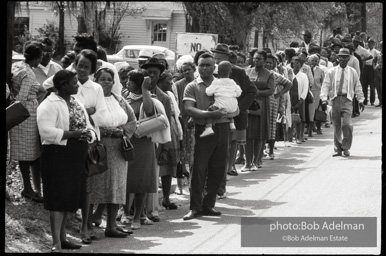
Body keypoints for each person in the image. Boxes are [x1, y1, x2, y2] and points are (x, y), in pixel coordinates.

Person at [37, 70, 95, 253]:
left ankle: (63, 238)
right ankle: (55, 242)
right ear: (62, 85)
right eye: (74, 83)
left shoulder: (76, 103)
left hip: (75, 155)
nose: (78, 85)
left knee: (69, 198)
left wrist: (89, 135)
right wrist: (74, 134)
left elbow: (89, 126)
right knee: (57, 199)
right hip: (56, 155)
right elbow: (45, 131)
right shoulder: (48, 104)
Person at [88, 68, 137, 238]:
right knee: (94, 186)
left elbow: (132, 120)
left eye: (110, 79)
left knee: (116, 186)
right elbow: (86, 122)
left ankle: (111, 226)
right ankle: (88, 226)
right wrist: (107, 132)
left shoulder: (120, 100)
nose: (107, 82)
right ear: (96, 81)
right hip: (98, 147)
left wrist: (123, 132)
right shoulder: (91, 101)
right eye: (103, 78)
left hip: (118, 150)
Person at [182, 52, 230, 220]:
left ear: (214, 66)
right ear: (197, 67)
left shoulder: (222, 84)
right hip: (202, 130)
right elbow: (188, 109)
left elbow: (233, 106)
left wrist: (225, 112)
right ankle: (195, 207)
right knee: (198, 170)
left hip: (222, 129)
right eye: (201, 65)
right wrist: (208, 114)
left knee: (217, 169)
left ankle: (208, 205)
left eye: (208, 65)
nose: (204, 68)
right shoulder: (193, 86)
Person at [71, 49, 110, 244]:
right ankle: (70, 223)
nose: (82, 70)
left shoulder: (96, 89)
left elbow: (102, 117)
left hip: (88, 140)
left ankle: (85, 225)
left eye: (87, 67)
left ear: (92, 69)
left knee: (86, 185)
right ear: (75, 65)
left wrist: (82, 112)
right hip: (68, 139)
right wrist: (88, 110)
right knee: (72, 183)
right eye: (80, 65)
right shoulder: (67, 82)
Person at [122, 69, 168, 229]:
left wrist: (144, 90)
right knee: (126, 180)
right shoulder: (124, 97)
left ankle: (137, 217)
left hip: (143, 144)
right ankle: (126, 212)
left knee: (141, 181)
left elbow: (149, 111)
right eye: (127, 80)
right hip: (127, 143)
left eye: (131, 81)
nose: (127, 83)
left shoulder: (149, 98)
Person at [210, 43, 257, 197]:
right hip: (211, 117)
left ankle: (224, 178)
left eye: (219, 57)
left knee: (228, 147)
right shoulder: (208, 71)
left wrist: (238, 109)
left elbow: (251, 91)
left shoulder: (237, 72)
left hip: (232, 117)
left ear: (227, 58)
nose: (216, 60)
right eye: (214, 57)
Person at [9, 40, 44, 203]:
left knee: (27, 153)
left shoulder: (18, 66)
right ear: (37, 58)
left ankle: (29, 187)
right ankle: (28, 188)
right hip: (25, 115)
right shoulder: (29, 74)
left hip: (24, 114)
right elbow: (21, 98)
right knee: (27, 153)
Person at [140, 57, 173, 221]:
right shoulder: (136, 91)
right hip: (138, 141)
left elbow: (166, 124)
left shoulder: (164, 98)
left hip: (155, 142)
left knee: (153, 177)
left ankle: (151, 211)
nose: (152, 76)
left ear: (160, 75)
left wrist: (166, 149)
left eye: (155, 73)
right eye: (149, 73)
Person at [320, 48, 365, 157]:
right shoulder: (332, 71)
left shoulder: (352, 72)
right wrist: (324, 99)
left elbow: (358, 86)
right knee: (336, 126)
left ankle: (346, 147)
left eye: (345, 57)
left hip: (347, 100)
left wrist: (360, 99)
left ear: (348, 58)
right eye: (340, 57)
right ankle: (338, 149)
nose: (342, 59)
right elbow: (325, 85)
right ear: (338, 58)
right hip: (335, 100)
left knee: (347, 124)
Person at [243, 50, 274, 170]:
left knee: (259, 134)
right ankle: (247, 162)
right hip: (249, 104)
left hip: (262, 104)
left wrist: (257, 92)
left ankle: (256, 160)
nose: (256, 60)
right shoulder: (247, 71)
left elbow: (270, 91)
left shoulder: (269, 74)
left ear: (265, 61)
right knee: (248, 134)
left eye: (259, 59)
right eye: (255, 58)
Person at [201, 61, 241, 137]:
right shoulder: (233, 82)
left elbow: (208, 92)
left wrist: (207, 88)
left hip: (221, 107)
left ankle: (208, 127)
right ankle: (232, 124)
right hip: (233, 107)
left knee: (209, 111)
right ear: (230, 73)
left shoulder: (216, 82)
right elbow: (239, 92)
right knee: (228, 104)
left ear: (218, 72)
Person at [264, 53, 293, 158]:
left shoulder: (275, 75)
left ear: (274, 64)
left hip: (272, 104)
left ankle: (271, 151)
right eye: (266, 62)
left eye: (270, 63)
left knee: (272, 128)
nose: (268, 64)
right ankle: (262, 149)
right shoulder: (258, 73)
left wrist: (278, 94)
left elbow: (289, 84)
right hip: (260, 104)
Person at [33, 37, 62, 101]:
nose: (47, 54)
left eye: (50, 51)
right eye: (44, 51)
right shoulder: (31, 69)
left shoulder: (58, 68)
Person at [288, 56, 309, 144]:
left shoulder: (303, 76)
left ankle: (299, 136)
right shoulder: (288, 74)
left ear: (301, 65)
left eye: (298, 63)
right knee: (289, 118)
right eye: (294, 63)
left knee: (300, 119)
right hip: (289, 99)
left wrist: (301, 101)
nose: (296, 65)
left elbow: (305, 89)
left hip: (299, 100)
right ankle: (289, 137)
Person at [308, 54, 325, 134]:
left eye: (316, 61)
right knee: (309, 110)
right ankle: (310, 128)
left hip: (317, 91)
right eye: (312, 60)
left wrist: (324, 94)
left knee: (318, 109)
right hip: (308, 91)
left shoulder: (320, 70)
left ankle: (318, 127)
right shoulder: (306, 69)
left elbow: (324, 82)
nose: (314, 62)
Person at [362, 38, 380, 106]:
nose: (370, 44)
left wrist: (374, 67)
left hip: (372, 69)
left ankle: (372, 100)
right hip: (366, 68)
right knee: (364, 85)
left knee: (372, 85)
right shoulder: (366, 51)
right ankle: (365, 100)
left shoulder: (376, 52)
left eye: (372, 43)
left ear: (374, 44)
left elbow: (376, 60)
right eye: (369, 43)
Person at [373, 41, 382, 107]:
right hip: (377, 72)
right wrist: (374, 67)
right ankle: (380, 101)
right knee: (378, 87)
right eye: (381, 46)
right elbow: (374, 61)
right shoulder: (378, 54)